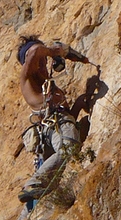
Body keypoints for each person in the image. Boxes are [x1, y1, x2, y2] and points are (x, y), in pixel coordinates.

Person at [16, 35, 88, 203]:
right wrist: (51, 51)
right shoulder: (27, 80)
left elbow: (67, 114)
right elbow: (34, 51)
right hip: (52, 127)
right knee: (68, 148)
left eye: (44, 60)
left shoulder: (50, 86)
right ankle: (33, 184)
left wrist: (78, 104)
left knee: (55, 178)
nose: (43, 62)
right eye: (39, 59)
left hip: (56, 127)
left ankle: (37, 207)